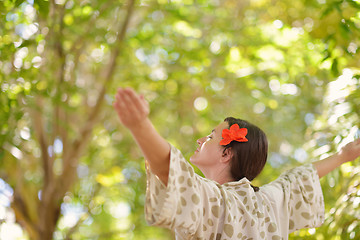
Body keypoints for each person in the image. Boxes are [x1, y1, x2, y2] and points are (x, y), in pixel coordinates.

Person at [113, 87, 360, 240]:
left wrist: (139, 125)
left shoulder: (214, 200)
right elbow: (300, 178)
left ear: (227, 154)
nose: (201, 139)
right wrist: (342, 156)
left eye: (210, 136)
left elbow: (170, 170)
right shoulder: (269, 200)